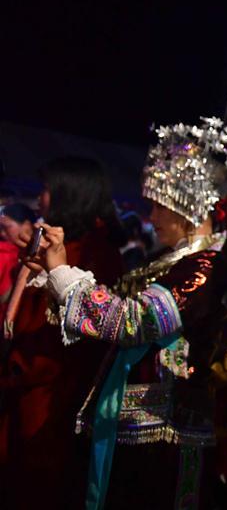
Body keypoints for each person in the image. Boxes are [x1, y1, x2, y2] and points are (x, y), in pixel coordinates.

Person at [23, 118, 227, 509]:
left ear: (187, 208)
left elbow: (134, 321)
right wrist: (53, 279)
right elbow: (108, 309)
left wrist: (62, 274)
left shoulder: (207, 265)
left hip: (168, 433)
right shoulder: (163, 262)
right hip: (136, 427)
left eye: (159, 207)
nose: (152, 219)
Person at [0, 158, 125, 510]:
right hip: (29, 389)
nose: (40, 200)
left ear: (69, 195)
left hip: (53, 399)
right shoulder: (63, 244)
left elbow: (68, 332)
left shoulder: (93, 252)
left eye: (47, 191)